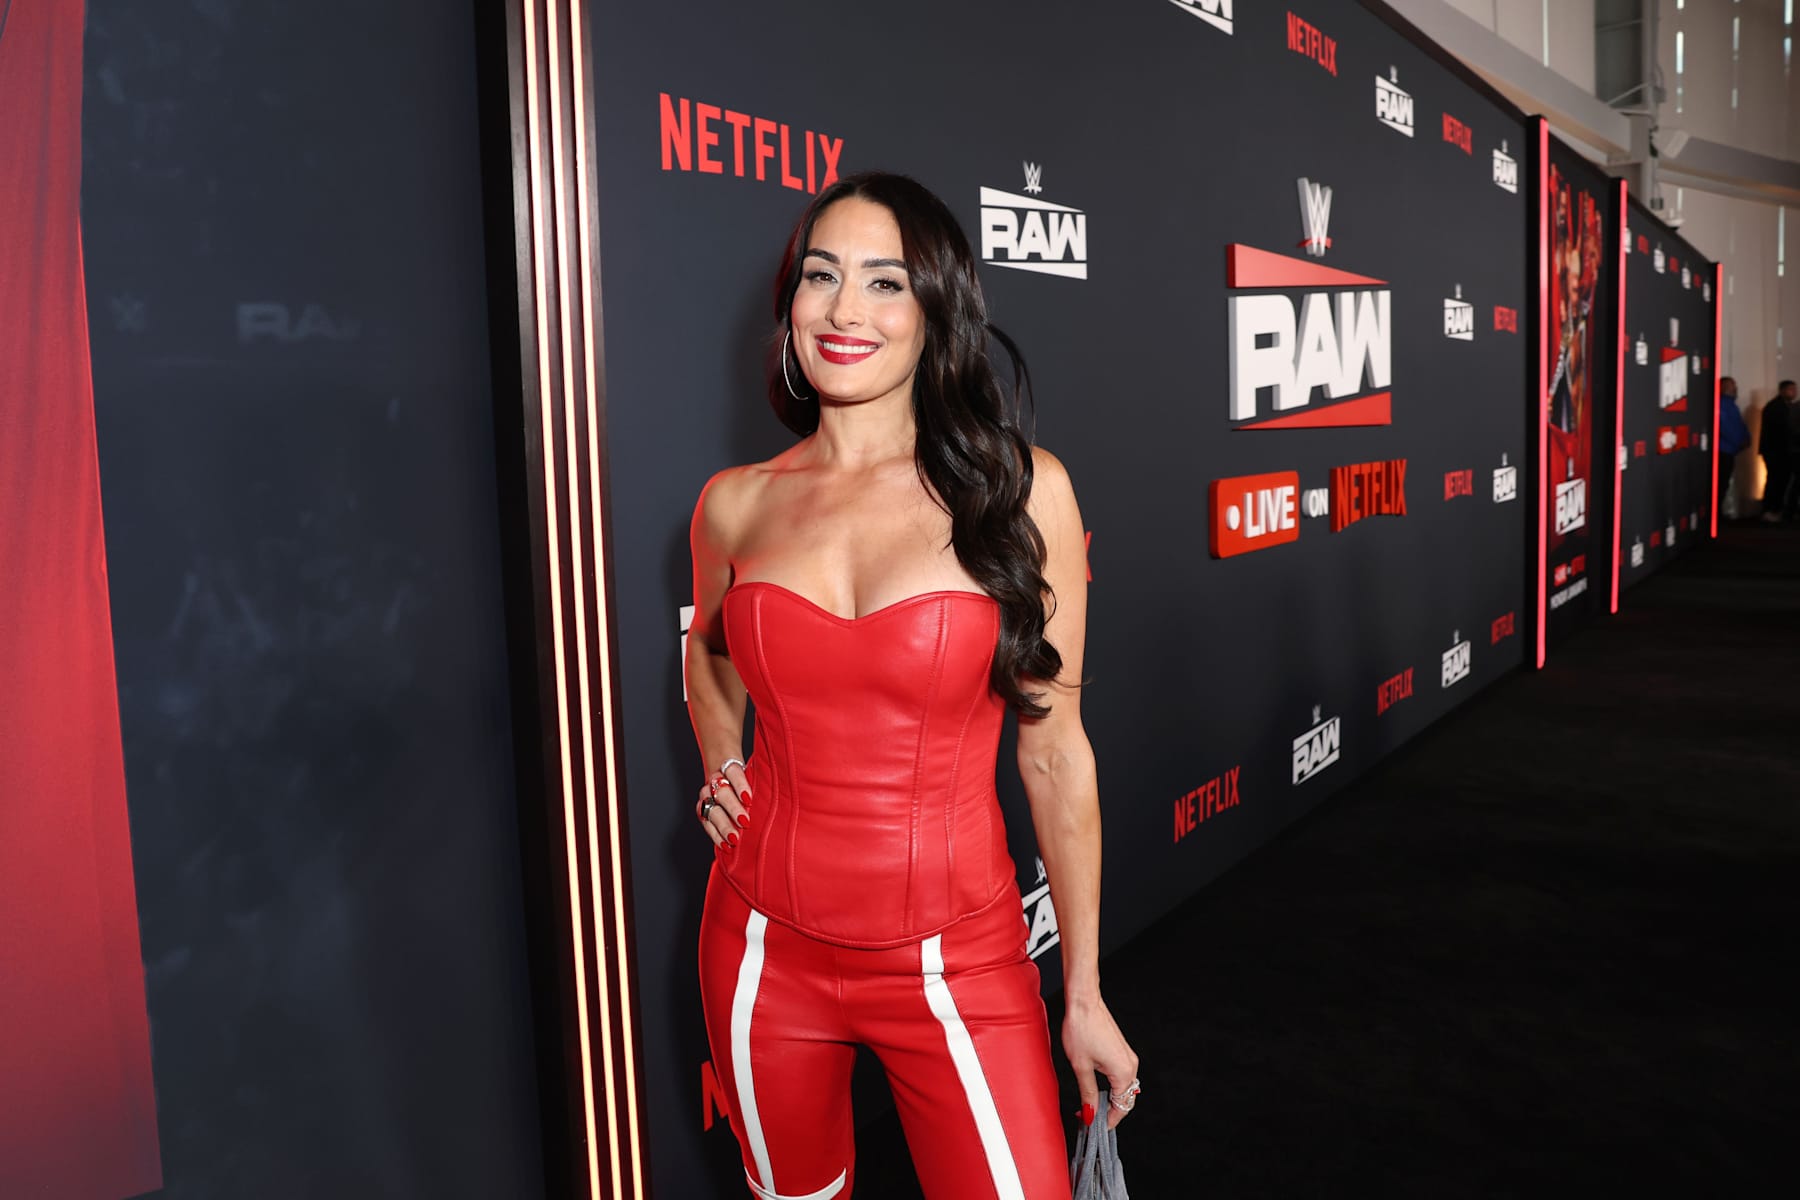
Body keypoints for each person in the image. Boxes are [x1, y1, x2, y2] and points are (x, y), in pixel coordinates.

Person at [683, 172, 1138, 1200]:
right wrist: (721, 760)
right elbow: (709, 651)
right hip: (758, 948)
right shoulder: (735, 505)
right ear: (788, 303)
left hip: (960, 962)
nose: (845, 310)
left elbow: (1055, 750)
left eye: (886, 281)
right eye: (820, 276)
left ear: (938, 309)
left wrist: (1084, 991)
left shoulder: (1022, 493)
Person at [1760, 381, 1794, 523]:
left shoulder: (1785, 407)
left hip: (1781, 451)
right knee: (1775, 480)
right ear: (1782, 391)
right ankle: (1770, 509)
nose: (1794, 392)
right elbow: (1780, 431)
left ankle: (1776, 509)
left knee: (1780, 481)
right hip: (1776, 451)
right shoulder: (1775, 407)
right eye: (1791, 389)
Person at [1718, 376, 1750, 516]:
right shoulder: (1722, 405)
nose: (1735, 387)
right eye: (1732, 385)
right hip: (1723, 451)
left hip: (1730, 451)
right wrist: (1739, 441)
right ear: (1723, 387)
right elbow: (1725, 427)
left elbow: (1740, 425)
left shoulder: (1732, 405)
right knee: (1720, 483)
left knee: (1724, 483)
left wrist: (1747, 439)